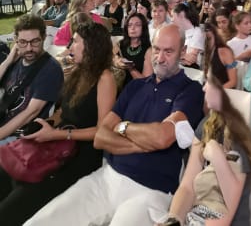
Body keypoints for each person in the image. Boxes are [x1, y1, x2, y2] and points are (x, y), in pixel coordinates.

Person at [25, 24, 205, 226]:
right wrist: (140, 142)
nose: (160, 58)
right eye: (156, 49)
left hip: (152, 190)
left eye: (169, 51)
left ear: (182, 52)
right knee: (42, 221)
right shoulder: (135, 86)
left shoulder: (190, 90)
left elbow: (163, 137)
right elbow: (101, 137)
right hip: (107, 178)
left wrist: (122, 128)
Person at [0, 20, 115, 224]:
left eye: (75, 42)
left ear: (90, 46)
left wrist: (58, 134)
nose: (70, 47)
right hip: (57, 142)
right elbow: (64, 111)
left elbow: (102, 131)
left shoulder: (105, 78)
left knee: (13, 206)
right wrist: (49, 123)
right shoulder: (78, 71)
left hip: (78, 155)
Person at [161, 49, 251, 226]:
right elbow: (187, 185)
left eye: (209, 82)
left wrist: (217, 158)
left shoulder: (241, 136)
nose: (204, 87)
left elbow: (232, 208)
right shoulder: (208, 124)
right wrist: (174, 218)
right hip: (198, 216)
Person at [0, 14, 64, 147]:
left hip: (18, 136)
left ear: (44, 38)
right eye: (23, 42)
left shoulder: (50, 69)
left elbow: (30, 113)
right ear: (16, 41)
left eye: (35, 41)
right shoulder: (16, 60)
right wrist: (7, 61)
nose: (29, 48)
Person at [118, 12, 152, 81]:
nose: (132, 28)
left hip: (137, 89)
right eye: (129, 25)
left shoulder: (148, 50)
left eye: (137, 25)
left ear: (143, 28)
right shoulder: (120, 44)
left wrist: (131, 69)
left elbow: (146, 82)